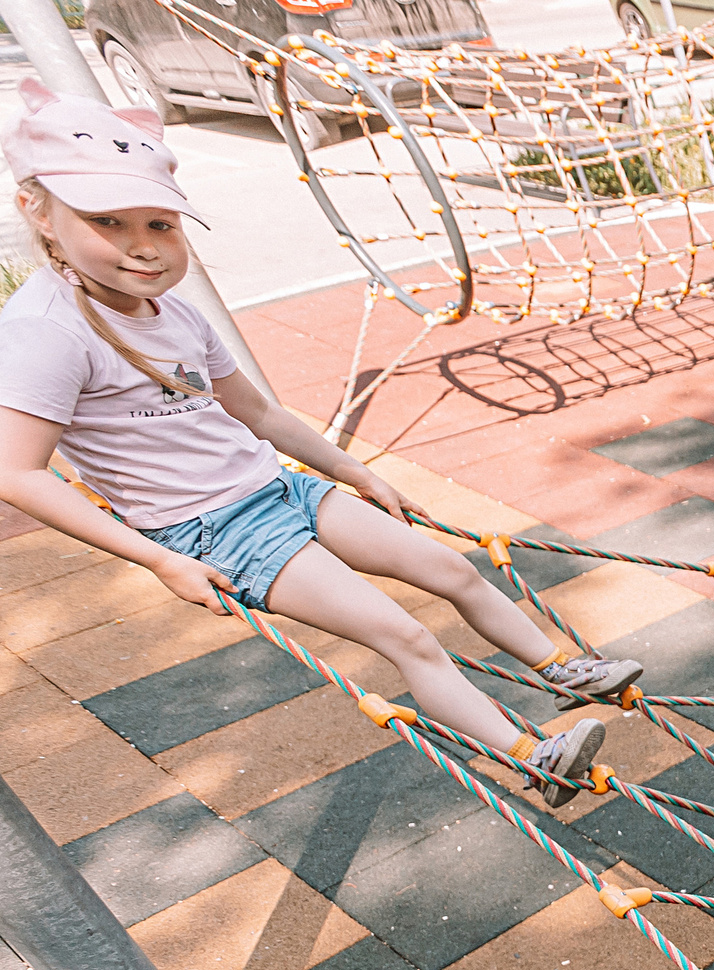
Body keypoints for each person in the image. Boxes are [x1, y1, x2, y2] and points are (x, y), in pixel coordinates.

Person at [0, 85, 639, 810]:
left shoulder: (172, 310)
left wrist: (347, 468)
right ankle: (533, 758)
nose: (142, 245)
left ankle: (562, 668)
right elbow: (18, 473)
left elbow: (255, 411)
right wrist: (159, 559)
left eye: (161, 223)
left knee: (449, 569)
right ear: (39, 214)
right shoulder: (47, 331)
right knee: (404, 635)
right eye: (106, 222)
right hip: (212, 530)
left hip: (279, 486)